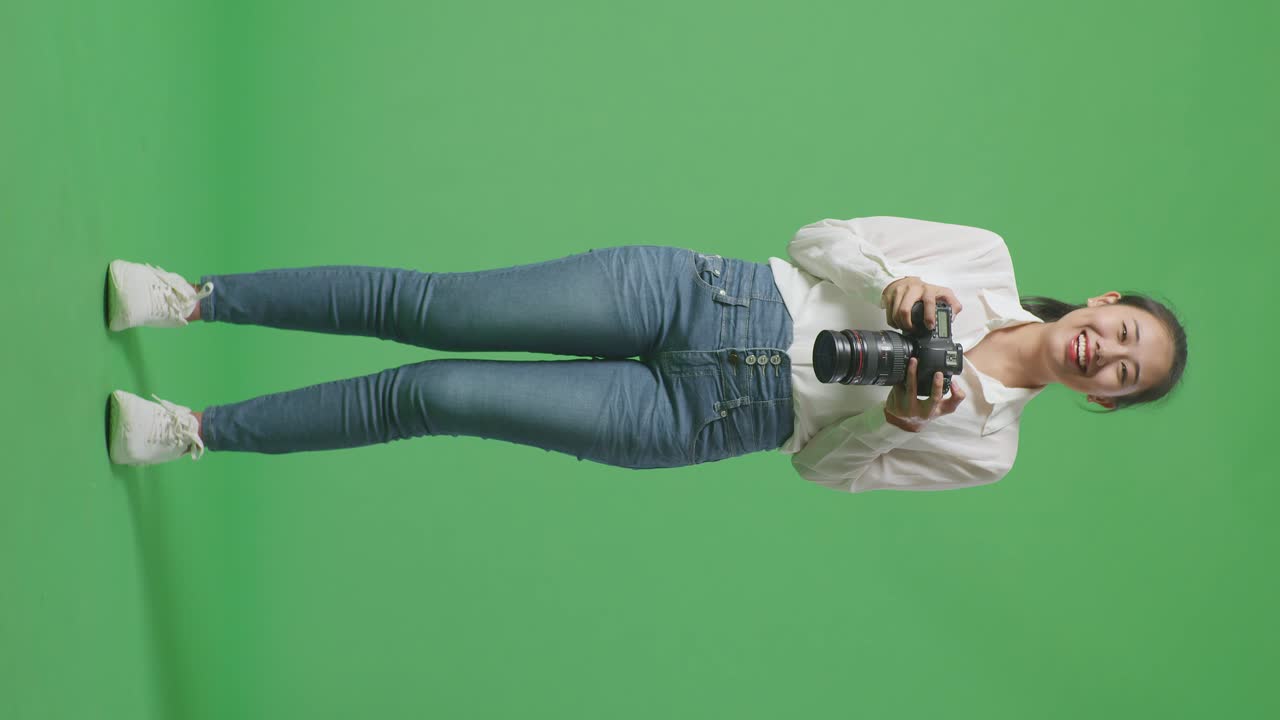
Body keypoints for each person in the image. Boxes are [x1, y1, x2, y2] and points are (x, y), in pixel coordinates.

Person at [105, 215, 1187, 494]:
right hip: (702, 294)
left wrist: (898, 419)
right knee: (431, 307)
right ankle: (191, 301)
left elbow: (820, 468)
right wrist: (888, 281)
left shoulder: (984, 451)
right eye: (1123, 334)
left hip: (708, 422)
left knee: (433, 395)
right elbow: (813, 238)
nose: (1106, 355)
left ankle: (190, 432)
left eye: (1121, 376)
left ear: (1100, 401)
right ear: (1104, 302)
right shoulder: (981, 257)